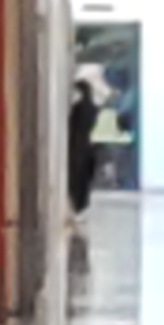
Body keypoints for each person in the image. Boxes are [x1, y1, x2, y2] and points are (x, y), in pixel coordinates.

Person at [67, 71, 99, 219]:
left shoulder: (78, 108)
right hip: (86, 144)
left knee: (75, 174)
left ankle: (75, 203)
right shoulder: (93, 109)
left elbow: (71, 124)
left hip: (76, 144)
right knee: (83, 177)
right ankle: (81, 204)